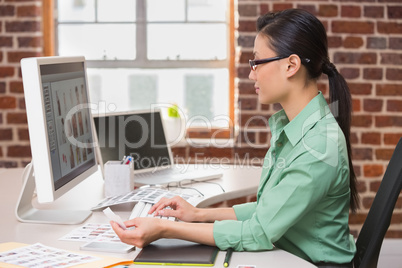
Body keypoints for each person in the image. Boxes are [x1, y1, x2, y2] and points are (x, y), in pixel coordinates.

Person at [111, 9, 359, 267]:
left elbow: (259, 231)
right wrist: (196, 214)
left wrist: (164, 229)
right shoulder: (295, 126)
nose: (252, 74)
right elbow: (267, 211)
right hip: (288, 254)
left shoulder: (318, 144)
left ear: (291, 65)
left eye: (257, 62)